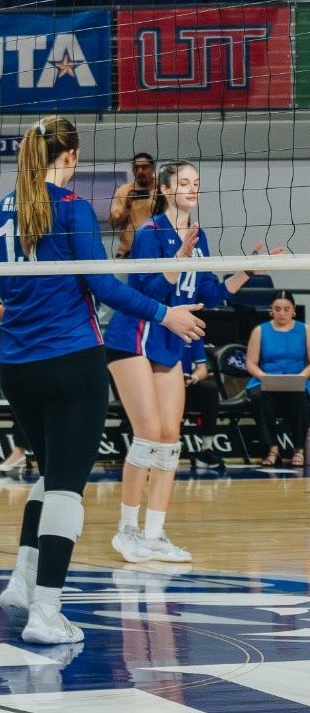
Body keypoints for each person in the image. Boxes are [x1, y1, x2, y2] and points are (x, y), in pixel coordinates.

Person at [0, 117, 205, 645]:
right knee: (66, 486)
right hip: (69, 357)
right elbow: (104, 284)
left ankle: (21, 581)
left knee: (47, 474)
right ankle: (46, 611)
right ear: (71, 156)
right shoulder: (72, 208)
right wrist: (164, 313)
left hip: (16, 364)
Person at [104, 161, 273, 561]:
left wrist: (246, 271)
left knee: (169, 440)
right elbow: (144, 289)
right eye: (184, 182)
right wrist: (178, 257)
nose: (193, 188)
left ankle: (154, 535)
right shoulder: (150, 232)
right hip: (133, 337)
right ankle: (126, 529)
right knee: (147, 434)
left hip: (169, 340)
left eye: (197, 183)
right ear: (165, 189)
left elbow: (210, 295)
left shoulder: (200, 238)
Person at [246, 294, 309, 469]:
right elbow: (251, 363)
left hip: (297, 379)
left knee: (300, 396)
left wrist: (301, 377)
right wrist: (264, 378)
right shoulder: (260, 330)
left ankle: (299, 449)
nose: (282, 313)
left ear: (294, 311)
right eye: (277, 309)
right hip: (266, 379)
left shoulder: (306, 330)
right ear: (271, 311)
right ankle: (273, 448)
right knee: (260, 396)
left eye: (287, 309)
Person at [109, 151, 157, 258]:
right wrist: (127, 206)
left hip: (157, 254)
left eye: (144, 167)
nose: (140, 171)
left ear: (153, 168)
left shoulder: (164, 190)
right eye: (136, 168)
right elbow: (113, 223)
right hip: (128, 254)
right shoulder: (124, 191)